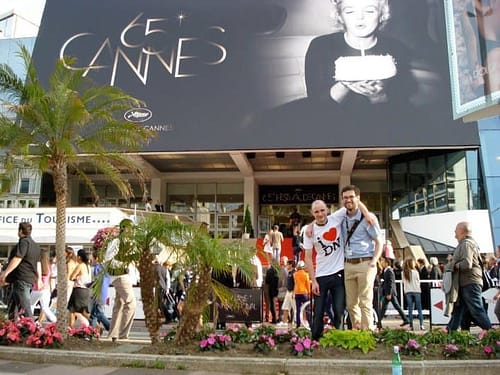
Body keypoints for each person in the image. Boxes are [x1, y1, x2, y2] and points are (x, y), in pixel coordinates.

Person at [304, 0, 417, 123]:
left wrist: (378, 96)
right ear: (340, 16)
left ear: (382, 15)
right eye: (350, 11)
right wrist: (343, 85)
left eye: (369, 10)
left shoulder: (397, 49)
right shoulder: (321, 47)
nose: (360, 17)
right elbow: (316, 109)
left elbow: (401, 113)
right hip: (336, 129)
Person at [341, 185, 383, 330]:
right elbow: (322, 218)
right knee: (351, 302)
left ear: (358, 198)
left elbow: (379, 241)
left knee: (365, 301)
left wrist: (373, 262)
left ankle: (368, 332)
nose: (348, 200)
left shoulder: (368, 218)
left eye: (351, 197)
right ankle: (357, 330)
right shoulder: (341, 216)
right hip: (348, 264)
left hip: (365, 261)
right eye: (345, 197)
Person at [446, 221, 491, 337]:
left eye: (456, 231)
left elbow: (467, 263)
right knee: (458, 310)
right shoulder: (467, 244)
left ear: (462, 231)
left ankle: (490, 332)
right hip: (466, 282)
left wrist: (454, 265)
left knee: (476, 309)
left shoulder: (467, 244)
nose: (454, 234)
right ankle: (450, 333)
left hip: (470, 282)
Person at [0, 222, 41, 320]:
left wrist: (5, 273)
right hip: (27, 279)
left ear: (20, 231)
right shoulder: (35, 245)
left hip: (21, 279)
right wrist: (38, 279)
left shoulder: (24, 242)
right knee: (12, 307)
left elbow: (18, 258)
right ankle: (12, 330)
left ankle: (33, 330)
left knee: (25, 307)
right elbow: (37, 263)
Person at [104, 219, 137, 342]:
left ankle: (113, 334)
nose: (132, 230)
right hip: (120, 276)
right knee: (131, 304)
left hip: (125, 276)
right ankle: (123, 334)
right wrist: (124, 264)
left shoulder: (128, 242)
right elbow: (109, 258)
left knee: (120, 304)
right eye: (130, 228)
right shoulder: (117, 241)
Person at [377, 257, 408, 329]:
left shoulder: (389, 271)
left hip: (390, 293)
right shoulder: (386, 271)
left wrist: (389, 293)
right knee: (384, 308)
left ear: (387, 263)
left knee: (396, 306)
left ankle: (406, 319)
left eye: (383, 262)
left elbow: (390, 283)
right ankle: (379, 322)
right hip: (388, 292)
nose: (382, 263)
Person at [30, 249, 57, 323]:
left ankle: (29, 322)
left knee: (31, 305)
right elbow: (51, 277)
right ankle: (55, 321)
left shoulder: (37, 265)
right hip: (46, 289)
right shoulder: (48, 266)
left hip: (36, 289)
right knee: (45, 308)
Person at [68, 249, 92, 327]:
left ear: (79, 257)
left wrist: (76, 278)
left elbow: (71, 277)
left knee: (72, 310)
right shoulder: (88, 266)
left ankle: (70, 329)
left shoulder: (80, 266)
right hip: (86, 290)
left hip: (78, 290)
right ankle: (96, 326)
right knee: (84, 311)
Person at [89, 250, 110, 333]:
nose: (92, 261)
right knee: (94, 313)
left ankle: (110, 327)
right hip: (103, 292)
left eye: (92, 259)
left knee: (98, 313)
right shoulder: (105, 267)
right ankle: (93, 331)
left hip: (98, 292)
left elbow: (96, 281)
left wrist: (87, 285)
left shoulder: (98, 268)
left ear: (96, 258)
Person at [402, 258, 424, 331]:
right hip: (416, 290)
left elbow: (403, 282)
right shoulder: (415, 272)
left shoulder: (404, 273)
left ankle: (411, 325)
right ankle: (421, 324)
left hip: (408, 291)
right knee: (419, 309)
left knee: (410, 310)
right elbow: (418, 281)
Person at [293, 260, 311, 329]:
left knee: (298, 309)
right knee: (307, 309)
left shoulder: (295, 274)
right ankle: (309, 322)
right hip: (304, 292)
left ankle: (298, 324)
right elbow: (308, 284)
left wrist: (294, 293)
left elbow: (295, 284)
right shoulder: (306, 274)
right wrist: (309, 292)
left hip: (297, 292)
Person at [280, 260, 296, 328]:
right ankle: (284, 322)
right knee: (285, 307)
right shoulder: (289, 272)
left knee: (295, 308)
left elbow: (296, 283)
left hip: (293, 292)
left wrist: (294, 293)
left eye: (287, 264)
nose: (286, 266)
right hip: (288, 292)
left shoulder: (294, 272)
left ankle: (296, 321)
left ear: (291, 265)